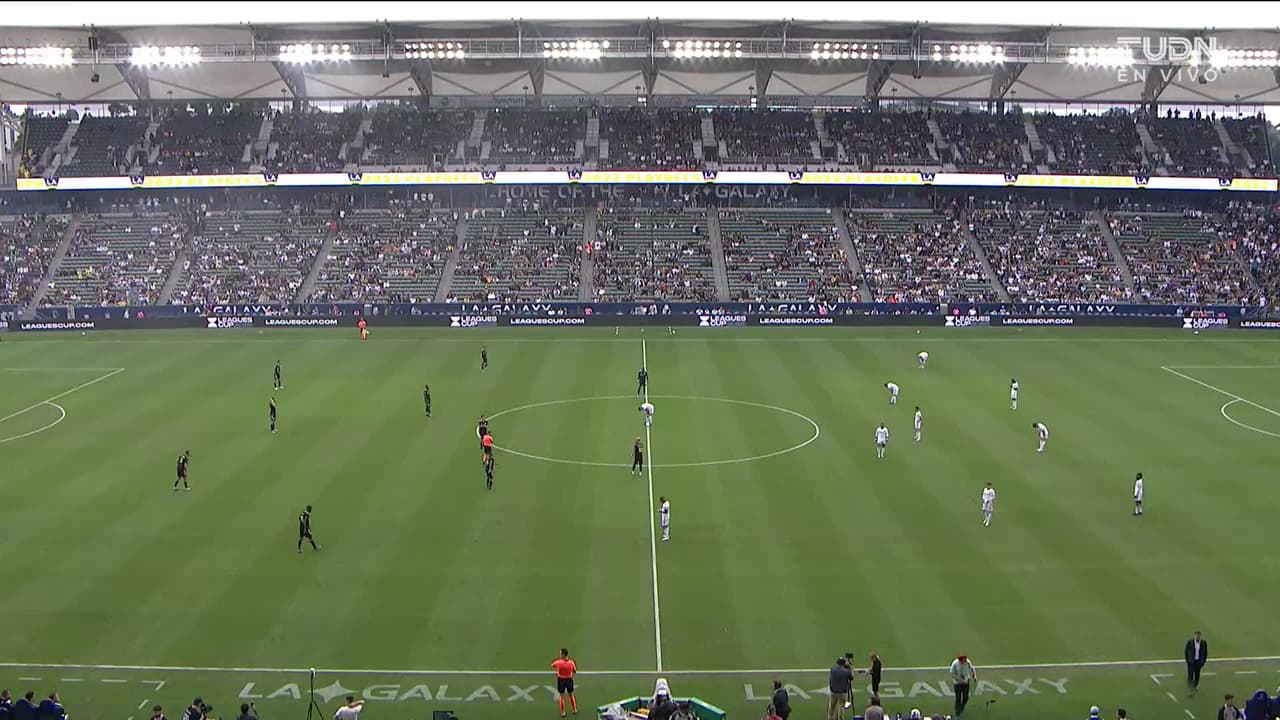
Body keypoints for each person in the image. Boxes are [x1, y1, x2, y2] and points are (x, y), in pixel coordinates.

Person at [553, 648, 578, 717]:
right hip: (569, 680)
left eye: (560, 653)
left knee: (561, 696)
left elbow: (553, 665)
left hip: (561, 680)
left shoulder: (558, 662)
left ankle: (563, 712)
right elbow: (574, 670)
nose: (560, 655)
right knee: (571, 695)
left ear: (563, 655)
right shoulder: (571, 662)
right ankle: (574, 710)